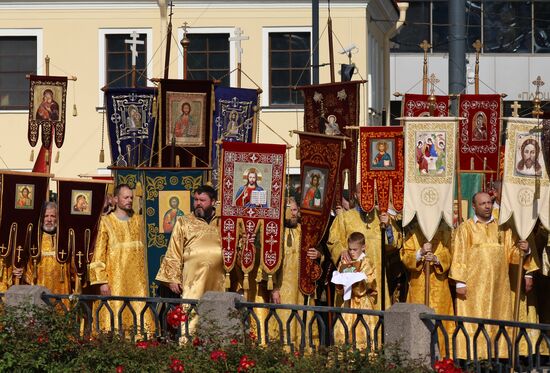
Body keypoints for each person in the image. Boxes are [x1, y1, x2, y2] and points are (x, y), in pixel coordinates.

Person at [449, 191, 535, 359]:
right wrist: (460, 282)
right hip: (473, 287)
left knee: (499, 319)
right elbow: (459, 254)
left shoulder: (502, 228)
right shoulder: (465, 228)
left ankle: (499, 357)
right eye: (483, 203)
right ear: (474, 206)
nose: (487, 206)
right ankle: (473, 358)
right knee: (474, 320)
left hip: (499, 286)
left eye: (489, 202)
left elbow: (512, 253)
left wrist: (526, 250)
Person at [156, 185, 225, 333]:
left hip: (219, 279)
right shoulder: (184, 221)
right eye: (196, 200)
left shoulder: (223, 222)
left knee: (217, 312)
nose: (198, 203)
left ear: (213, 202)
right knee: (192, 313)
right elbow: (174, 249)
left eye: (202, 200)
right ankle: (189, 345)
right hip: (192, 279)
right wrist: (173, 278)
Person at [89, 184, 152, 333]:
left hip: (137, 283)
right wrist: (102, 281)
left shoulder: (138, 221)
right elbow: (99, 253)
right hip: (114, 281)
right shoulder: (106, 222)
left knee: (138, 314)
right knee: (115, 314)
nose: (129, 200)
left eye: (131, 197)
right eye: (126, 197)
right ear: (115, 199)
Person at [328, 183, 401, 310]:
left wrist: (388, 227)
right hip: (352, 275)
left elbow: (395, 245)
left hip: (375, 277)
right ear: (355, 195)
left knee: (376, 314)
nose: (367, 196)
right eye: (362, 192)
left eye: (370, 192)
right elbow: (333, 240)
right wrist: (342, 251)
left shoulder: (382, 217)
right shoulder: (344, 218)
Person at [268, 198, 321, 346]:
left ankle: (305, 357)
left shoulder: (306, 231)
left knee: (305, 320)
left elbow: (319, 249)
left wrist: (318, 254)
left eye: (294, 210)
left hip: (304, 289)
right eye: (289, 210)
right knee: (285, 321)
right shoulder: (276, 232)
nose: (292, 213)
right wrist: (274, 289)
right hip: (283, 288)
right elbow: (269, 263)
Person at [401, 219, 453, 355]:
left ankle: (442, 360)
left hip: (440, 286)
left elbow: (450, 254)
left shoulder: (446, 232)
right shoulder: (413, 233)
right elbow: (406, 256)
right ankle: (417, 359)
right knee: (418, 320)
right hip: (418, 285)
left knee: (440, 322)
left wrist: (437, 259)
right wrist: (420, 253)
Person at [12, 202, 72, 294]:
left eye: (52, 216)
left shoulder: (65, 239)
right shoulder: (34, 239)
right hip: (38, 291)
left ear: (58, 219)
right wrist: (20, 271)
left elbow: (73, 268)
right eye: (46, 216)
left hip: (62, 292)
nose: (49, 219)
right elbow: (27, 265)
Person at [332, 232, 376, 348]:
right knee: (342, 332)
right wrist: (339, 284)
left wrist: (355, 282)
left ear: (363, 247)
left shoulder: (366, 262)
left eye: (355, 250)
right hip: (347, 304)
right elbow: (339, 285)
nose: (352, 253)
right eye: (350, 249)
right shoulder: (344, 262)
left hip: (361, 303)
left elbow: (368, 281)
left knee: (362, 332)